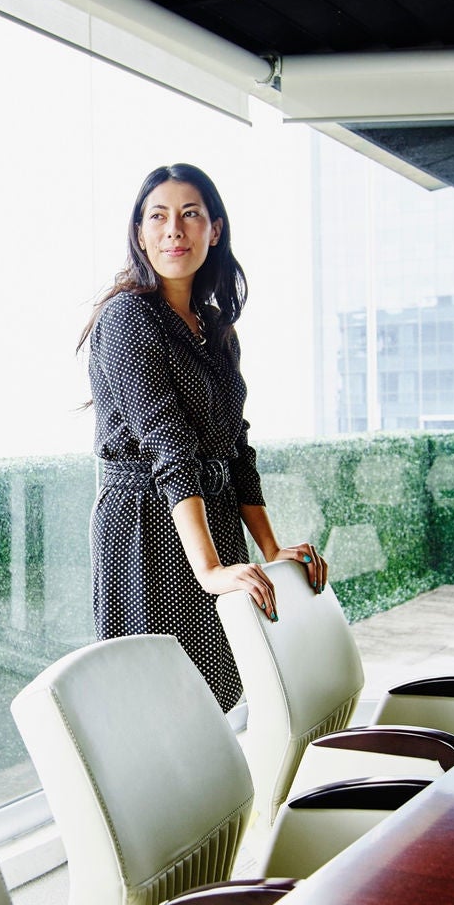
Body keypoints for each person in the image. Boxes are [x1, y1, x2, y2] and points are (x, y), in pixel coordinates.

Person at [82, 163, 325, 712]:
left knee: (217, 687)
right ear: (140, 233)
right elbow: (167, 444)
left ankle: (213, 799)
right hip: (146, 524)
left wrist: (271, 548)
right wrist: (209, 569)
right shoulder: (128, 317)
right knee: (160, 699)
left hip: (209, 517)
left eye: (190, 214)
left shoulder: (216, 329)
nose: (174, 230)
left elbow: (236, 446)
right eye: (158, 217)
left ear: (214, 229)